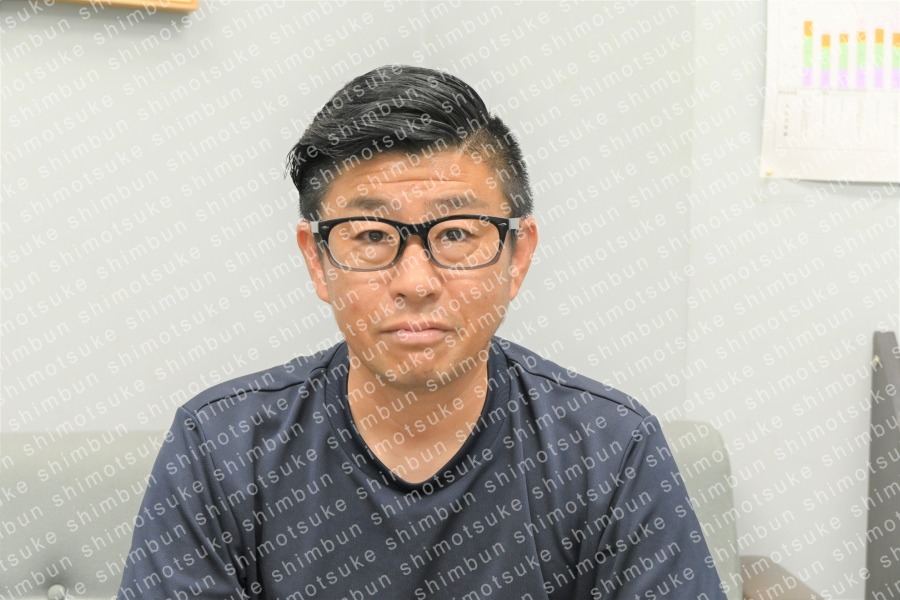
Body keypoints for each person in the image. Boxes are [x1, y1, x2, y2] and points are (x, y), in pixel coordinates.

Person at [117, 64, 727, 600]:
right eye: (371, 235)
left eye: (456, 233)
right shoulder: (221, 449)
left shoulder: (611, 450)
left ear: (517, 256)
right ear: (316, 260)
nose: (415, 282)